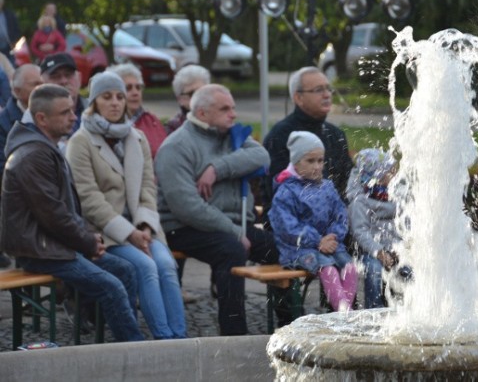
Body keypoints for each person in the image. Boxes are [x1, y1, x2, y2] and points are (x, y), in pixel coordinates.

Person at [0, 83, 144, 342]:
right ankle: (135, 353)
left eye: (72, 109)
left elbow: (65, 209)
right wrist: (88, 242)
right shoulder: (33, 154)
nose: (74, 116)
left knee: (125, 270)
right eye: (65, 112)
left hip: (55, 245)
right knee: (111, 287)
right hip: (39, 252)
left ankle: (114, 340)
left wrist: (90, 238)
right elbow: (54, 215)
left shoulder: (43, 146)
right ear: (42, 119)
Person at [155, 84, 289, 335]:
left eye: (234, 107)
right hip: (182, 227)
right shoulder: (176, 147)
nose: (233, 114)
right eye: (225, 109)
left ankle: (291, 326)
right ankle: (234, 334)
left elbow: (262, 156)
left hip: (233, 224)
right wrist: (235, 231)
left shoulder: (230, 134)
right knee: (231, 250)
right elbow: (186, 207)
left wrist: (217, 169)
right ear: (203, 113)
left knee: (282, 250)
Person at [66, 72, 186, 340]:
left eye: (120, 97)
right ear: (94, 102)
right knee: (146, 267)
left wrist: (144, 226)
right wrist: (129, 233)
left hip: (142, 228)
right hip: (106, 233)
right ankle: (164, 339)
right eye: (107, 97)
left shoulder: (137, 138)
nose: (115, 103)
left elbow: (147, 187)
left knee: (166, 265)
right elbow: (89, 199)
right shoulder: (80, 142)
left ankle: (180, 337)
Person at [268, 131, 357, 312]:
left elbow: (340, 214)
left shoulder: (327, 187)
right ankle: (344, 314)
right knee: (329, 270)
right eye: (310, 161)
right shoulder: (286, 192)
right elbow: (287, 227)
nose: (317, 166)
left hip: (330, 245)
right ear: (296, 162)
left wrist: (333, 237)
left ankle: (344, 311)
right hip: (299, 249)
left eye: (320, 160)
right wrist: (317, 241)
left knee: (350, 267)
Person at [262, 66, 353, 218]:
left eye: (328, 89)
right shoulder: (280, 136)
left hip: (336, 220)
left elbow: (349, 182)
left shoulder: (335, 134)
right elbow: (280, 192)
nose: (326, 95)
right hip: (292, 223)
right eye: (318, 90)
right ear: (298, 98)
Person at [347, 148, 402, 308]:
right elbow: (360, 232)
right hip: (371, 252)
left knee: (412, 271)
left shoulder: (394, 196)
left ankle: (411, 310)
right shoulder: (360, 202)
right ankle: (374, 310)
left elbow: (406, 225)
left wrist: (405, 246)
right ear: (375, 176)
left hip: (397, 250)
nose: (395, 176)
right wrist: (378, 252)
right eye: (389, 172)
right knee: (374, 271)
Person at [108, 63, 167, 158]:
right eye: (128, 88)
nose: (135, 93)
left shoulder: (152, 120)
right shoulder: (106, 125)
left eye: (138, 87)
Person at [0, 64, 42, 183]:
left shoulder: (52, 113)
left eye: (42, 82)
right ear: (17, 91)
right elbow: (3, 170)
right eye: (35, 84)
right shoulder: (3, 124)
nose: (41, 88)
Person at [40, 52, 85, 135]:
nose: (63, 81)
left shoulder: (96, 109)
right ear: (42, 83)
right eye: (55, 76)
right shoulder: (39, 120)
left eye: (68, 75)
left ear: (79, 78)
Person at [166, 64, 210, 135]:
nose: (199, 97)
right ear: (180, 99)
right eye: (192, 93)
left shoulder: (220, 121)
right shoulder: (175, 127)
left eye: (203, 91)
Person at [0, 0, 21, 67]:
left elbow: (16, 29)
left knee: (10, 66)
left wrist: (14, 41)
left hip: (9, 46)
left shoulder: (9, 14)